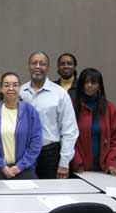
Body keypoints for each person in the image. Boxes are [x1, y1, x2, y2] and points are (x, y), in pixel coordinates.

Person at [20, 51, 79, 179]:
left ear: (48, 68)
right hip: (23, 153)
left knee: (51, 195)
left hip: (49, 154)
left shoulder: (60, 94)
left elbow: (70, 130)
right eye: (34, 63)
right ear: (29, 66)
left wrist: (64, 163)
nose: (38, 66)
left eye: (42, 64)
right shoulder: (20, 92)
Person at [0, 72, 42, 179]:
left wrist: (19, 167)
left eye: (15, 85)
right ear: (1, 89)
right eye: (6, 85)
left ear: (20, 88)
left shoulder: (30, 112)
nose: (11, 88)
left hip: (24, 169)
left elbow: (36, 143)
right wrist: (2, 166)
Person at [71, 68, 116, 176]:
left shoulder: (112, 109)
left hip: (104, 169)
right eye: (86, 82)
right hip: (79, 168)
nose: (89, 85)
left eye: (93, 82)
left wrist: (112, 162)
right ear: (81, 85)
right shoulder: (71, 106)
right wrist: (77, 162)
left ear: (99, 86)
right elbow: (68, 138)